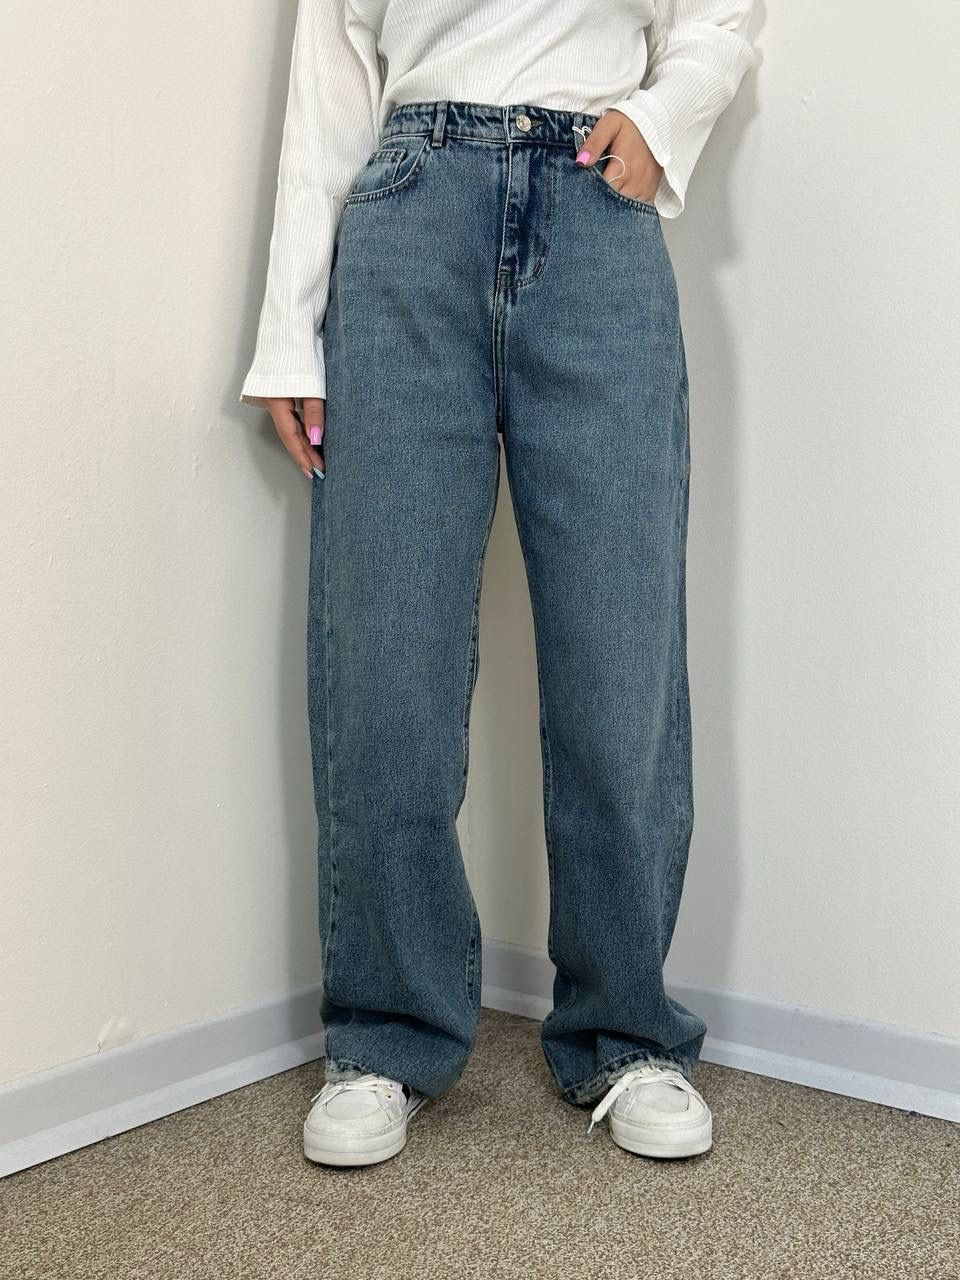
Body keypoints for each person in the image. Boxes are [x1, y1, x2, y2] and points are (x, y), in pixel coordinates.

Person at [239, 0, 755, 1168]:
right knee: (386, 651)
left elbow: (720, 15)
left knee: (620, 658)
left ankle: (626, 1031)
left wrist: (662, 117)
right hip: (408, 217)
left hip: (598, 208)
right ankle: (384, 1032)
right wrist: (288, 333)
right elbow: (329, 75)